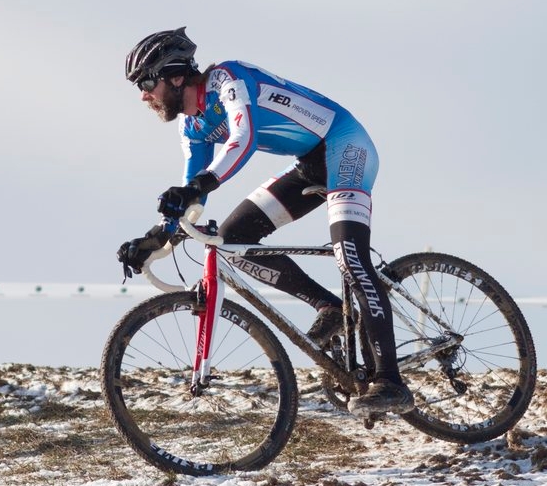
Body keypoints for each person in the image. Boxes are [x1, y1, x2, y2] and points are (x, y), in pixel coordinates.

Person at [115, 27, 414, 415]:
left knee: (351, 258)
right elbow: (192, 195)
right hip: (309, 165)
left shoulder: (228, 79)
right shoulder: (192, 125)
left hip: (345, 146)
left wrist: (196, 187)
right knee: (232, 239)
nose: (143, 95)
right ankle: (329, 308)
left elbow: (244, 136)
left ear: (174, 76)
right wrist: (155, 238)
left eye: (146, 82)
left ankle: (391, 382)